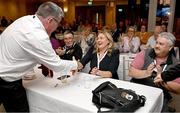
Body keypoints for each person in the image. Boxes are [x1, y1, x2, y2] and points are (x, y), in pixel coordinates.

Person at [0, 2, 82, 112]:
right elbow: (56, 65)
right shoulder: (38, 35)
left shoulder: (24, 20)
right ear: (50, 20)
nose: (57, 27)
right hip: (7, 80)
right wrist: (76, 64)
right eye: (57, 23)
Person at [129, 32, 179, 112]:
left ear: (170, 48)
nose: (156, 46)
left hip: (157, 95)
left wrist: (162, 78)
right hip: (138, 89)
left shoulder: (175, 63)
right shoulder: (145, 53)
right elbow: (131, 72)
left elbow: (177, 88)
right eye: (156, 42)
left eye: (161, 44)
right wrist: (146, 73)